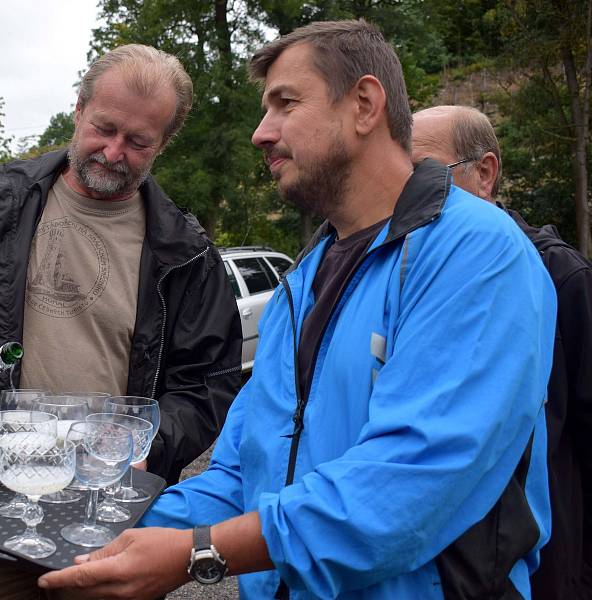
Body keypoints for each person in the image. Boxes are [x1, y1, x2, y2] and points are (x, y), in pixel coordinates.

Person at [37, 20, 558, 600]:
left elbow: (409, 483)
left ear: (364, 104)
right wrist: (86, 529)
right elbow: (241, 475)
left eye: (286, 103)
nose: (262, 133)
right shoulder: (298, 286)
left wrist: (199, 553)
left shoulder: (476, 253)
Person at [0, 44, 242, 600]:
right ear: (79, 108)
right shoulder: (1, 202)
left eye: (138, 142)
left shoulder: (186, 251)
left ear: (163, 144)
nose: (113, 153)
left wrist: (145, 447)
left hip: (111, 512)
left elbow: (209, 384)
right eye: (104, 128)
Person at [411, 104, 592, 599]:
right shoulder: (411, 281)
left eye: (423, 174)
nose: (405, 196)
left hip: (548, 570)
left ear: (484, 173)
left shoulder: (563, 278)